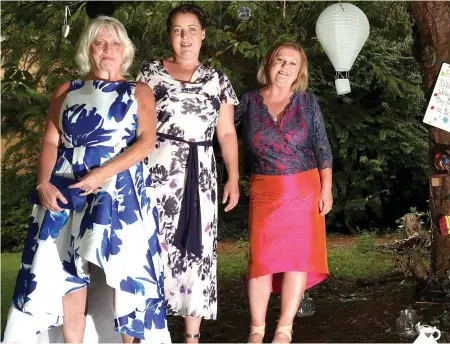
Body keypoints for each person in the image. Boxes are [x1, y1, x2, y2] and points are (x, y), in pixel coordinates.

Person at [2, 16, 169, 343]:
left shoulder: (139, 91)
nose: (108, 50)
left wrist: (102, 175)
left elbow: (146, 142)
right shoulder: (66, 90)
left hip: (119, 191)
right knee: (68, 275)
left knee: (127, 275)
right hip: (66, 189)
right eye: (100, 42)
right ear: (88, 50)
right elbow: (51, 141)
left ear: (125, 52)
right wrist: (43, 183)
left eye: (115, 44)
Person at [136, 4, 240, 342]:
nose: (185, 37)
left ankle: (191, 336)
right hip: (156, 173)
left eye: (192, 29)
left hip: (201, 176)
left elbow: (225, 132)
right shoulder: (149, 73)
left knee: (197, 251)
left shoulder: (217, 79)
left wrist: (234, 178)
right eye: (178, 30)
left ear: (203, 34)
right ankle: (147, 330)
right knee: (153, 246)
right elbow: (133, 126)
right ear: (170, 35)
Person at [235, 41, 333, 343]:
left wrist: (327, 187)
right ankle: (256, 331)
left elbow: (321, 146)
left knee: (297, 259)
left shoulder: (307, 102)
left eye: (292, 63)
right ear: (268, 64)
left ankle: (284, 330)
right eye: (280, 60)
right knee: (261, 260)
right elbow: (224, 135)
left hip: (304, 189)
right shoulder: (248, 101)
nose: (285, 67)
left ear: (299, 71)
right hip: (264, 190)